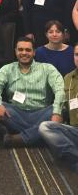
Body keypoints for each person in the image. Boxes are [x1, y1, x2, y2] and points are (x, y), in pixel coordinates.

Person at [0, 37, 65, 147]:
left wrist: (57, 113)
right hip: (16, 113)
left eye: (28, 50)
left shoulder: (47, 69)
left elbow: (60, 90)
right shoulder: (7, 69)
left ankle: (21, 138)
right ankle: (39, 134)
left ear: (34, 52)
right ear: (15, 51)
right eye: (20, 50)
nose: (24, 53)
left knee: (60, 109)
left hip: (41, 113)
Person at [39, 42, 78, 172]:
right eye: (77, 55)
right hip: (74, 130)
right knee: (45, 127)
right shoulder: (68, 78)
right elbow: (64, 104)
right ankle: (74, 156)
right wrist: (59, 113)